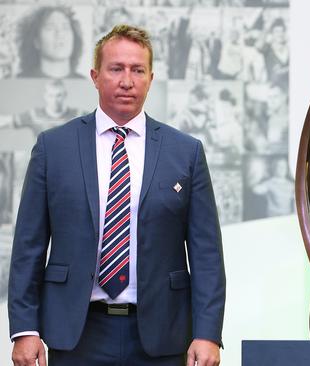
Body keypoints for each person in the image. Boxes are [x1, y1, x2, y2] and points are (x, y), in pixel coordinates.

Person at [9, 25, 225, 366]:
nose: (127, 80)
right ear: (95, 76)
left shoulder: (185, 152)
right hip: (77, 333)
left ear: (151, 78)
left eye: (137, 70)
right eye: (116, 69)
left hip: (162, 335)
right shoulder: (53, 148)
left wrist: (208, 333)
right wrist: (24, 329)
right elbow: (28, 248)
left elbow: (206, 254)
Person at [16, 6, 85, 78]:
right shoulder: (18, 82)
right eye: (50, 28)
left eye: (65, 27)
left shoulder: (87, 84)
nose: (60, 34)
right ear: (36, 41)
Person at [13, 79, 82, 138]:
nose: (54, 100)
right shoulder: (34, 115)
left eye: (58, 95)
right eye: (51, 95)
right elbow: (6, 121)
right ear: (45, 96)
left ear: (65, 95)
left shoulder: (79, 115)